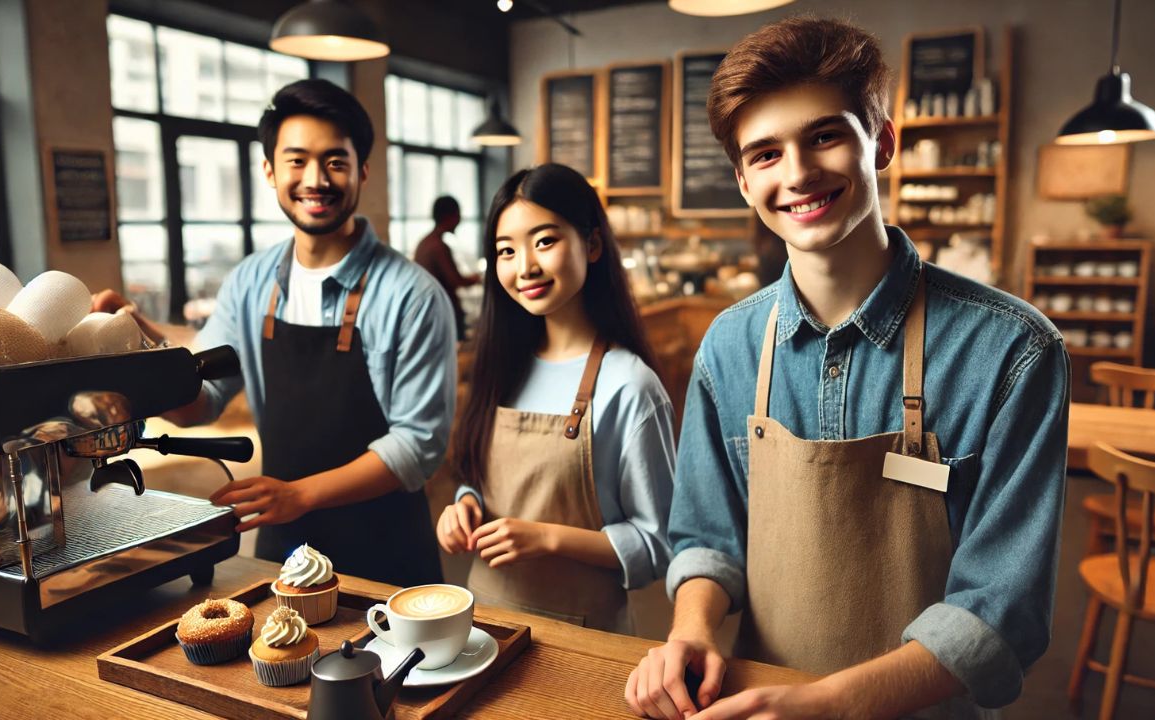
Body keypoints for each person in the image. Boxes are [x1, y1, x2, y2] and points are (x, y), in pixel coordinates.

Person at [625, 16, 1068, 720]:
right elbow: (708, 538)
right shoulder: (728, 346)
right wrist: (692, 627)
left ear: (881, 142)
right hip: (754, 702)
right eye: (765, 154)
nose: (797, 173)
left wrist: (828, 704)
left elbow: (1001, 609)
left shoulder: (1012, 352)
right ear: (742, 181)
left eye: (824, 136)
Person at [96, 79, 456, 587]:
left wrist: (299, 494)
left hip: (386, 553)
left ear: (363, 172)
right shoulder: (250, 282)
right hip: (283, 547)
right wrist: (138, 346)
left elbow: (417, 445)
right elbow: (202, 400)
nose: (316, 178)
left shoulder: (412, 295)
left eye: (335, 161)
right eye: (296, 160)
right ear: (269, 170)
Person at [434, 163, 676, 634]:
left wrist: (546, 538)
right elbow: (483, 484)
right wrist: (464, 505)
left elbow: (658, 545)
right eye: (506, 250)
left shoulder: (630, 385)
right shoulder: (502, 368)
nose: (524, 266)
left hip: (582, 637)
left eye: (544, 241)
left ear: (591, 244)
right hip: (483, 625)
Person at [414, 195, 481, 341]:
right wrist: (476, 278)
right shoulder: (438, 246)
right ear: (451, 216)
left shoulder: (424, 243)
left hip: (429, 312)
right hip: (442, 312)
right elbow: (455, 280)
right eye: (458, 215)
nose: (460, 220)